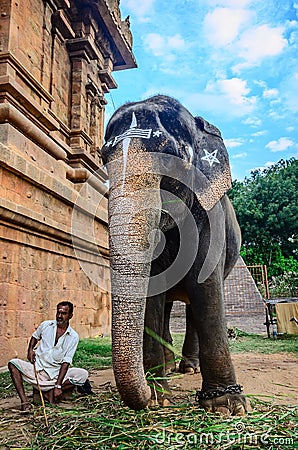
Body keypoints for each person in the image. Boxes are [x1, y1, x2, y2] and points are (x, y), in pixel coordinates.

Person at [8, 301, 89, 411]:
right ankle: (25, 402)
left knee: (82, 374)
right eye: (58, 312)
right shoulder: (46, 325)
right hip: (36, 371)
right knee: (13, 363)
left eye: (64, 313)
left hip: (55, 376)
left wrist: (58, 386)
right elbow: (35, 337)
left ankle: (50, 392)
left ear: (70, 316)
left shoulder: (73, 336)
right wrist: (30, 350)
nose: (60, 316)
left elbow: (66, 362)